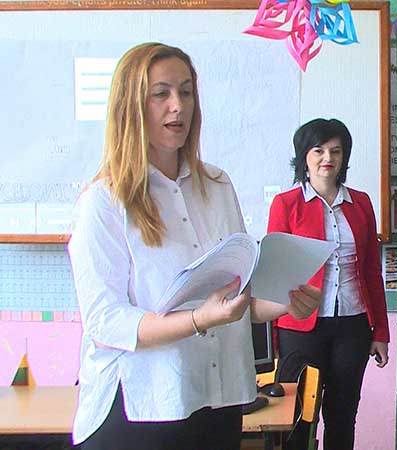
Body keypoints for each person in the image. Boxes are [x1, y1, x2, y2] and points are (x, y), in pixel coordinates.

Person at [68, 42, 321, 450]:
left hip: (218, 399)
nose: (178, 106)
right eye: (161, 93)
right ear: (131, 106)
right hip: (143, 404)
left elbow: (237, 299)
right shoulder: (104, 201)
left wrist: (285, 302)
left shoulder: (217, 186)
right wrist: (198, 320)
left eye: (186, 92)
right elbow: (105, 322)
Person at [267, 118, 390, 450]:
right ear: (304, 157)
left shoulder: (361, 203)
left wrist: (380, 332)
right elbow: (275, 275)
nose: (328, 158)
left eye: (336, 151)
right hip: (300, 328)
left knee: (342, 415)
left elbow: (371, 271)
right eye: (318, 150)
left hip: (353, 324)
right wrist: (273, 338)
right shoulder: (286, 204)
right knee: (296, 419)